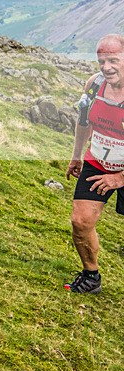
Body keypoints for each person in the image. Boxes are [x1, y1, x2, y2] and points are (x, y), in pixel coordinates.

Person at [65, 34, 124, 293]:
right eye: (102, 61)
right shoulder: (94, 85)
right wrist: (77, 155)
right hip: (97, 161)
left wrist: (120, 178)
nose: (106, 67)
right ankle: (91, 278)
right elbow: (84, 121)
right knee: (81, 221)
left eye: (113, 60)